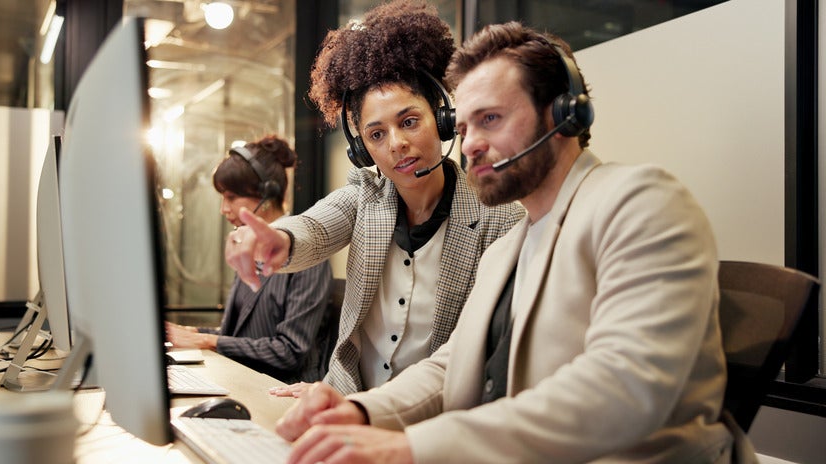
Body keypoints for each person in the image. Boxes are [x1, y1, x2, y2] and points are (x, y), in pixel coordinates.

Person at [272, 22, 757, 463]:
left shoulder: (640, 201)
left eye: (491, 119)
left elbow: (624, 387)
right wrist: (358, 411)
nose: (470, 145)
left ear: (562, 113)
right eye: (462, 128)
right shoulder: (510, 246)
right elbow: (450, 367)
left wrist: (411, 447)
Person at [227, 0, 525, 396]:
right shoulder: (365, 198)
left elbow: (483, 358)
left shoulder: (499, 218)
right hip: (346, 397)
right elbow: (314, 226)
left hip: (435, 419)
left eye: (408, 122)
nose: (397, 144)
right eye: (376, 134)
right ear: (363, 150)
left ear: (442, 120)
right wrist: (278, 239)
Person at [165, 135, 333, 384]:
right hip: (242, 378)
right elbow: (242, 336)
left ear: (266, 195)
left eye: (231, 197)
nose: (224, 209)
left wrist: (207, 340)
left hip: (281, 391)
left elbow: (289, 352)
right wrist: (193, 332)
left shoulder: (308, 258)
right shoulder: (248, 250)